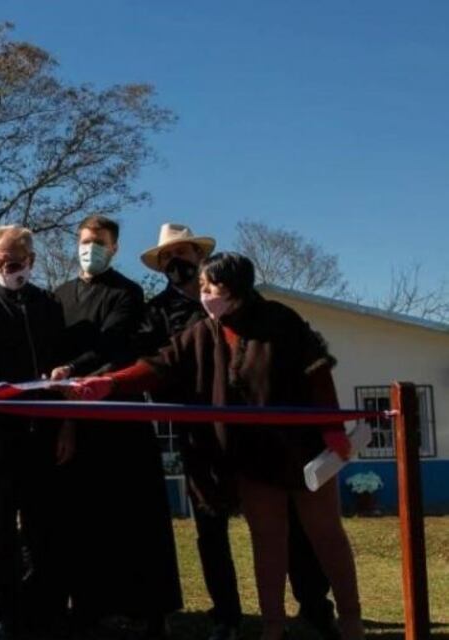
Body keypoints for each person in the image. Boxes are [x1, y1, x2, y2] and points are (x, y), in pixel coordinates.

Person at [72, 253, 363, 640]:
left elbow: (318, 373)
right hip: (255, 458)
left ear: (234, 291)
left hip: (305, 451)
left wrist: (333, 431)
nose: (203, 294)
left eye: (210, 288)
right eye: (203, 288)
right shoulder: (203, 330)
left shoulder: (281, 320)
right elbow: (161, 363)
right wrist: (110, 382)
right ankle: (272, 626)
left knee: (325, 536)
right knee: (268, 542)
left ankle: (350, 620)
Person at [139, 224, 338, 640]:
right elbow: (158, 365)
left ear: (202, 259)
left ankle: (315, 609)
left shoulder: (264, 313)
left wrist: (329, 425)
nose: (177, 264)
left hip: (268, 440)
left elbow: (311, 366)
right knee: (211, 529)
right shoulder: (157, 314)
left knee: (290, 527)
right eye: (167, 259)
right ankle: (227, 617)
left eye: (184, 255)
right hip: (206, 439)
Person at [50, 215, 181, 639]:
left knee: (136, 517)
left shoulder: (128, 292)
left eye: (100, 242)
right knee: (83, 520)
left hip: (121, 415)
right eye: (86, 241)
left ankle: (150, 609)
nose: (92, 248)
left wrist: (72, 369)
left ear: (115, 248)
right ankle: (90, 606)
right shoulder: (59, 297)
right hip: (75, 418)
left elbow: (113, 344)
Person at [0, 225, 75, 639]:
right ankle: (8, 607)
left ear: (32, 260)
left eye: (17, 262)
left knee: (46, 523)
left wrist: (65, 423)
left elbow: (62, 363)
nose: (9, 269)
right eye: (1, 263)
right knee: (1, 526)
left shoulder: (48, 304)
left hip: (44, 431)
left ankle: (47, 605)